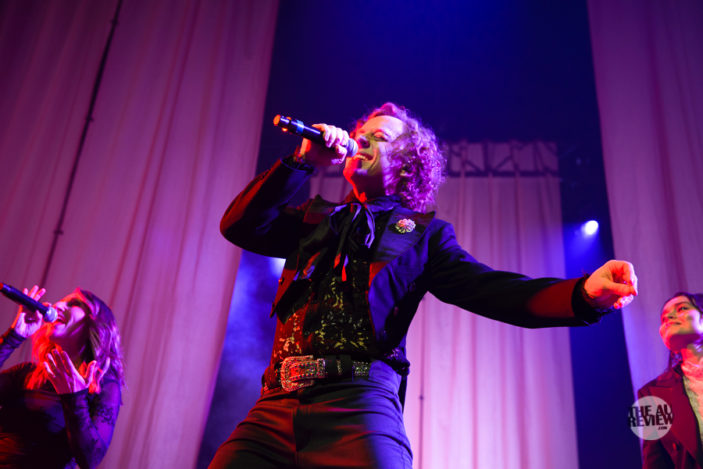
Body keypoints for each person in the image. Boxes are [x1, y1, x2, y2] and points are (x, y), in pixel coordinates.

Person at [210, 102, 638, 468]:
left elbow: (495, 291)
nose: (361, 141)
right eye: (359, 135)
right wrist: (302, 161)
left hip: (357, 406)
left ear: (406, 163)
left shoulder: (422, 235)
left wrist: (583, 294)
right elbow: (239, 225)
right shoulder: (312, 219)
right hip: (277, 403)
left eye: (379, 138)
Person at [0, 285, 125, 468]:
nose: (57, 305)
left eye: (74, 303)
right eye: (61, 302)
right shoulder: (27, 374)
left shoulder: (104, 387)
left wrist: (74, 398)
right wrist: (13, 336)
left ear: (94, 324)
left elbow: (90, 459)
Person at [639, 292, 703, 468]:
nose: (669, 317)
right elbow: (655, 462)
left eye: (682, 308)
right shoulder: (651, 394)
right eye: (663, 318)